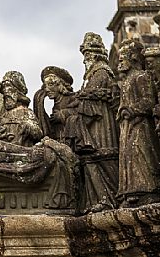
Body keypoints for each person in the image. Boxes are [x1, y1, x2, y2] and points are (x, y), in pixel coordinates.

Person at [65, 32, 119, 213]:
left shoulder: (101, 72)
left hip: (100, 123)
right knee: (90, 160)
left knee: (102, 157)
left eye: (87, 55)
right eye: (84, 55)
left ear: (96, 54)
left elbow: (95, 96)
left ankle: (108, 199)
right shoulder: (92, 74)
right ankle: (97, 199)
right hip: (92, 121)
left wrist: (82, 98)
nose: (84, 60)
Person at [117, 39, 160, 207]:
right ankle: (131, 192)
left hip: (141, 125)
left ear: (133, 58)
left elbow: (149, 101)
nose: (120, 63)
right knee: (128, 155)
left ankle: (147, 190)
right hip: (127, 125)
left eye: (122, 59)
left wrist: (131, 109)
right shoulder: (126, 81)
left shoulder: (141, 77)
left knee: (140, 153)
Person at [0, 71, 42, 147]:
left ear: (18, 92)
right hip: (3, 147)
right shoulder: (2, 115)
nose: (5, 91)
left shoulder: (26, 112)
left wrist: (27, 126)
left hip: (20, 148)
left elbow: (38, 133)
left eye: (8, 87)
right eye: (3, 88)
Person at [34, 66, 76, 142]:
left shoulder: (73, 98)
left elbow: (80, 113)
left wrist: (62, 114)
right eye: (45, 86)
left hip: (71, 141)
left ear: (60, 85)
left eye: (50, 85)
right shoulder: (55, 104)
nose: (46, 89)